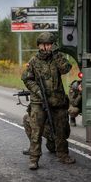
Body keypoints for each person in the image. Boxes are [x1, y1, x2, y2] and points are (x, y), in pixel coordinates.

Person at [21, 32, 75, 170]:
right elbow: (27, 78)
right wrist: (38, 91)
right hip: (39, 102)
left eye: (49, 44)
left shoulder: (57, 59)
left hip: (58, 102)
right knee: (36, 130)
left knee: (61, 129)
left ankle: (63, 154)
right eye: (44, 44)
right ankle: (34, 158)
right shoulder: (33, 61)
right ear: (39, 45)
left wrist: (56, 54)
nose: (46, 47)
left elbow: (66, 69)